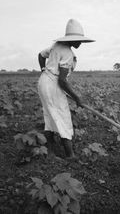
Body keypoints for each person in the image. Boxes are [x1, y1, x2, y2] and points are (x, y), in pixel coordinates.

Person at [38, 19, 95, 159]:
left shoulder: (56, 45)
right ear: (72, 39)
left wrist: (43, 71)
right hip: (52, 86)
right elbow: (62, 81)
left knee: (49, 116)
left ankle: (50, 153)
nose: (80, 43)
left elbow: (40, 55)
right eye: (78, 40)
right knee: (63, 118)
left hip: (44, 82)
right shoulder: (68, 54)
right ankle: (70, 156)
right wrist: (77, 98)